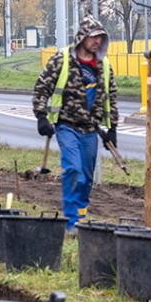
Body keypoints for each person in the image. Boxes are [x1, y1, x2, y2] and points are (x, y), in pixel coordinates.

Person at [33, 16, 119, 236]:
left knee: (87, 178)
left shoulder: (104, 65)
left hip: (91, 130)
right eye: (93, 37)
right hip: (66, 126)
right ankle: (71, 222)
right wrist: (41, 116)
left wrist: (112, 129)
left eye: (100, 37)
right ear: (82, 37)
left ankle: (80, 217)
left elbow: (111, 97)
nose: (97, 42)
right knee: (74, 169)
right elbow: (42, 88)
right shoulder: (62, 60)